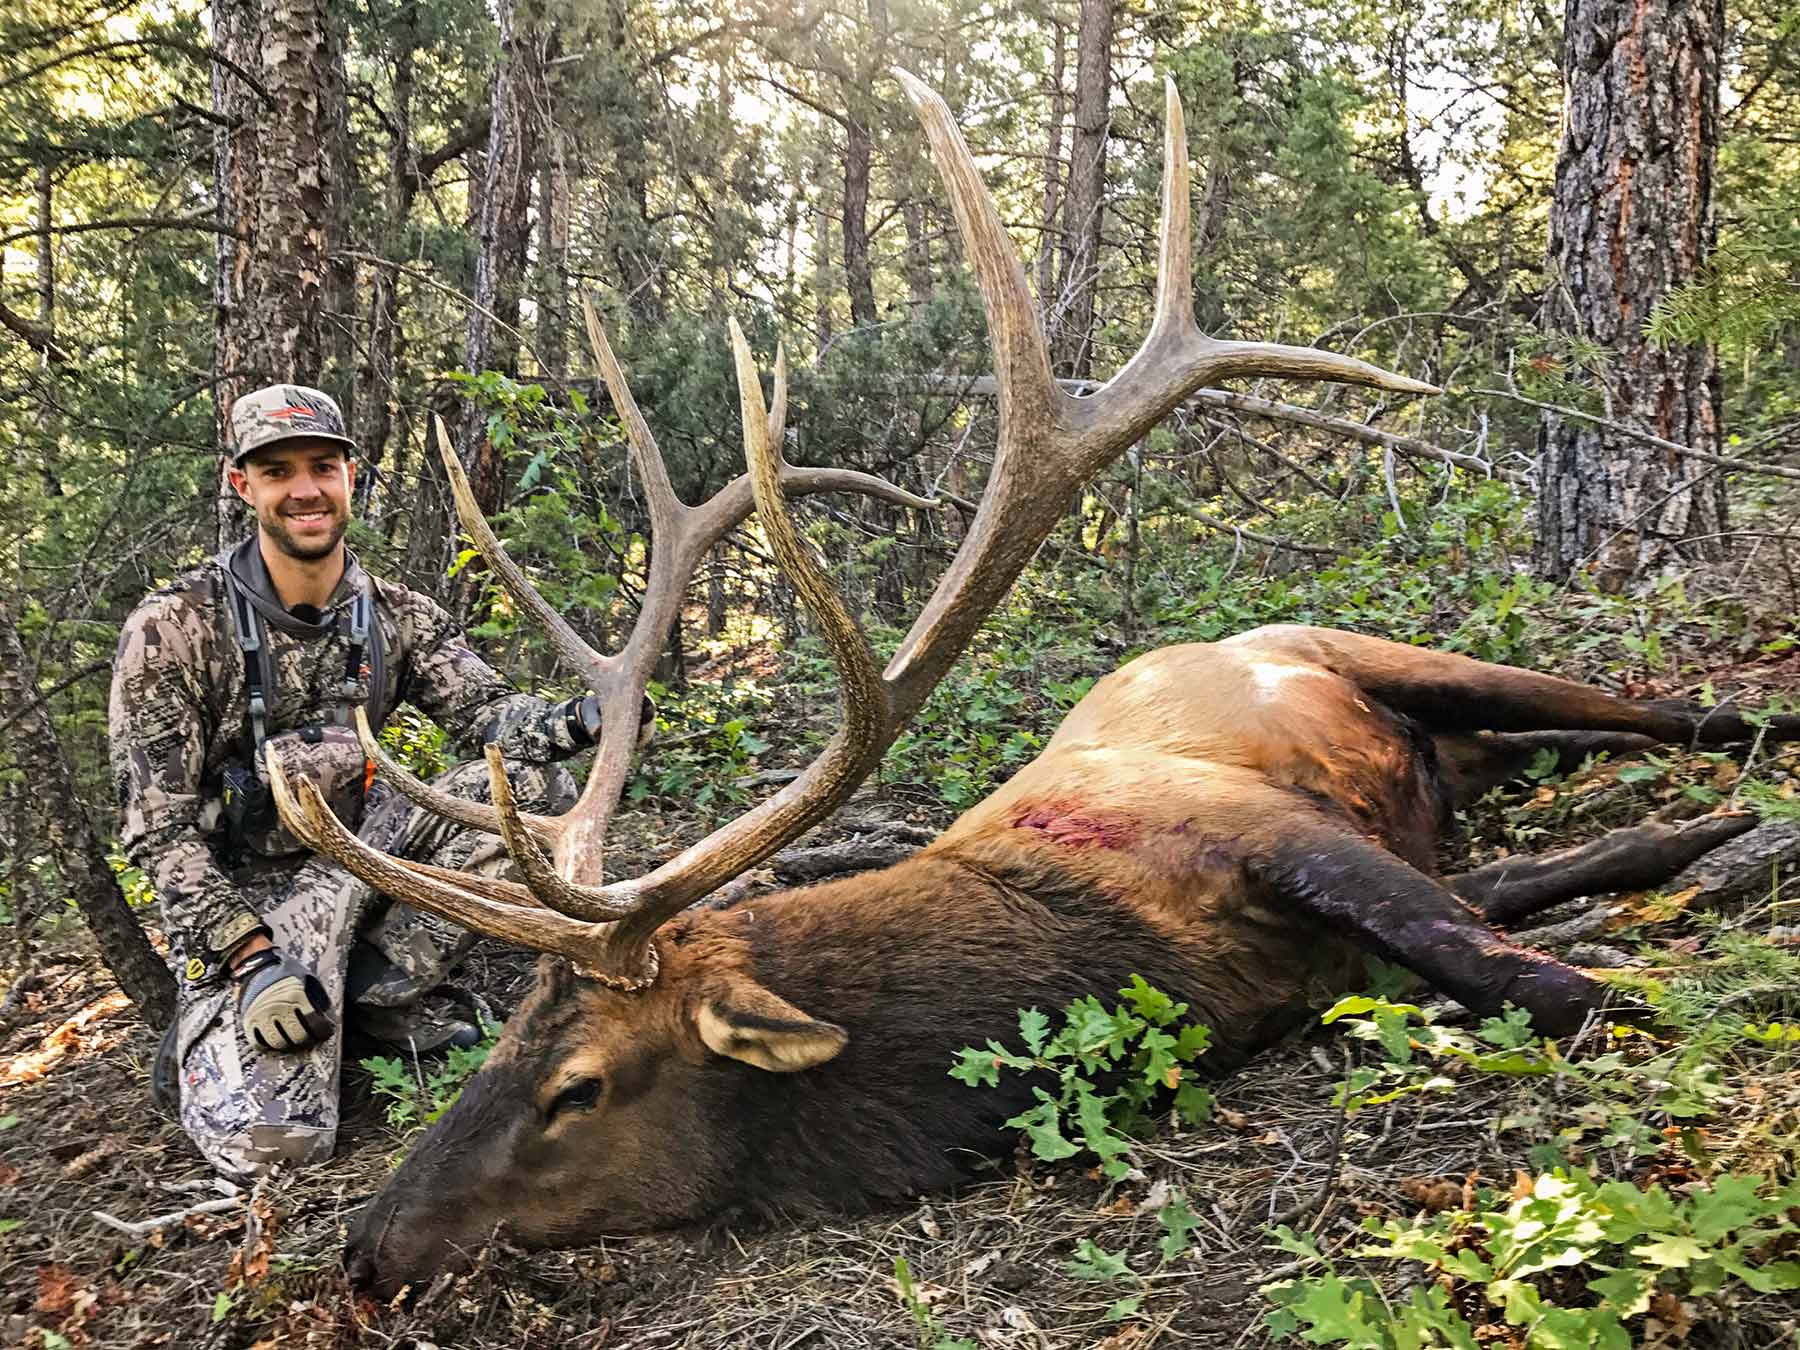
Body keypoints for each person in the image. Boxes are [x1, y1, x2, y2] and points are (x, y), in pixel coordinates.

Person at [109, 384, 640, 1179]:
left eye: (323, 465)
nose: (305, 490)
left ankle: (369, 998)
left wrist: (582, 718)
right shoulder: (173, 627)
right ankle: (216, 1028)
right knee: (276, 1152)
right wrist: (251, 957)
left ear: (352, 474)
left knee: (527, 792)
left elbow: (490, 717)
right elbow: (157, 826)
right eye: (278, 470)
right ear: (240, 484)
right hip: (247, 906)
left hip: (366, 857)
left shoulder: (396, 613)